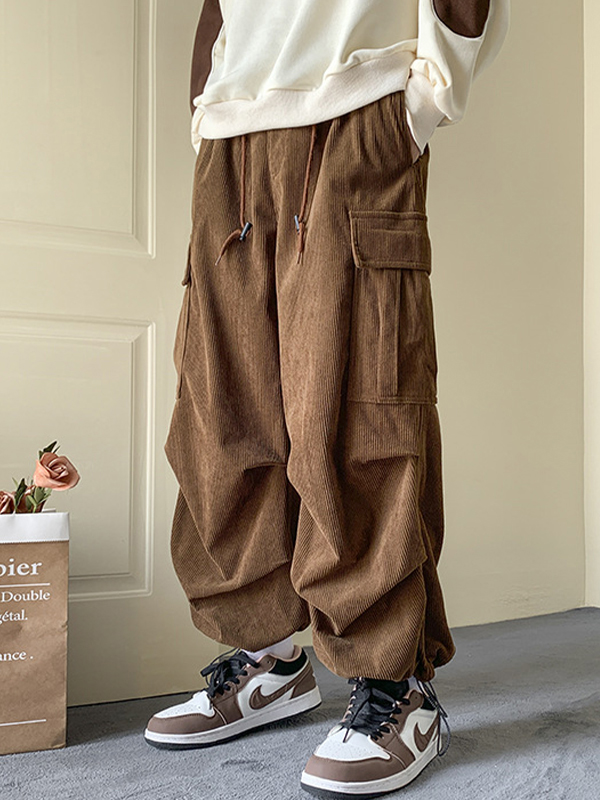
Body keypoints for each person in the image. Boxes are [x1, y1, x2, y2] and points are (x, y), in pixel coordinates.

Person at [145, 1, 510, 796]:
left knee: (359, 412)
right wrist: (207, 112)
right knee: (223, 418)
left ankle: (397, 687)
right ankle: (269, 659)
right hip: (234, 137)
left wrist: (427, 95)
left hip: (357, 114)